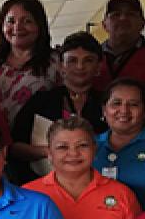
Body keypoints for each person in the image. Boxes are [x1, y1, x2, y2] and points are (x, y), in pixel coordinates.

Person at [11, 31, 107, 179]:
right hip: (45, 184)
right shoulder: (41, 101)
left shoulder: (110, 103)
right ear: (61, 66)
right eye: (72, 60)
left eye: (88, 60)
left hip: (99, 181)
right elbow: (14, 147)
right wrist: (49, 151)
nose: (80, 66)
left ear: (99, 66)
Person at [0, 0, 60, 126]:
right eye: (10, 21)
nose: (17, 27)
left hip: (36, 141)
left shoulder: (54, 62)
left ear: (40, 25)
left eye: (27, 21)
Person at [94, 78, 145, 210]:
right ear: (104, 110)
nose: (124, 110)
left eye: (133, 104)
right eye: (116, 103)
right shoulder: (88, 146)